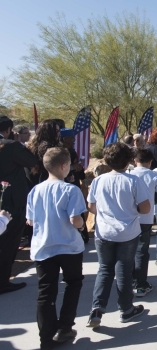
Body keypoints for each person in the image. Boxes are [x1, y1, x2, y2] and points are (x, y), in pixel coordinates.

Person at [26, 148, 87, 349]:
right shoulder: (71, 190)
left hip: (43, 247)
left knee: (46, 292)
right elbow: (75, 220)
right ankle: (65, 326)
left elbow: (30, 220)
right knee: (73, 284)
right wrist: (81, 226)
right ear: (64, 166)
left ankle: (46, 337)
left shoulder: (35, 191)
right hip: (68, 246)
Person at [86, 143, 151, 328]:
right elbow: (145, 208)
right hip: (127, 232)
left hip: (104, 232)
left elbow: (91, 206)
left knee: (104, 269)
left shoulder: (98, 181)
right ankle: (126, 309)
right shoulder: (133, 181)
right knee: (123, 270)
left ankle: (97, 309)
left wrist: (106, 212)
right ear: (129, 160)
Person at [0, 115, 38, 295]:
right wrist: (17, 143)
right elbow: (32, 161)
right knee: (8, 242)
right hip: (10, 201)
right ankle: (2, 282)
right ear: (9, 129)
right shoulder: (11, 146)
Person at [128, 148, 157, 297]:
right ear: (150, 162)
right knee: (142, 251)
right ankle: (141, 284)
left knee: (128, 250)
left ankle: (130, 278)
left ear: (135, 161)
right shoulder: (154, 176)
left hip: (129, 218)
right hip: (146, 218)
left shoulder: (128, 174)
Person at [60, 128, 89, 243]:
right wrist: (72, 168)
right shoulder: (61, 153)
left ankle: (82, 235)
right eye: (71, 138)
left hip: (74, 183)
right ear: (64, 139)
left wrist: (79, 170)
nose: (74, 140)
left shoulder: (72, 151)